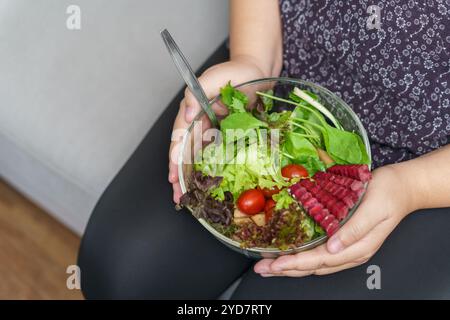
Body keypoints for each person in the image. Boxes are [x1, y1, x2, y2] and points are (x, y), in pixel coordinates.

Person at [79, 0, 450, 299]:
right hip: (277, 75)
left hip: (421, 164)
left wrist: (411, 188)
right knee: (120, 275)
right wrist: (254, 60)